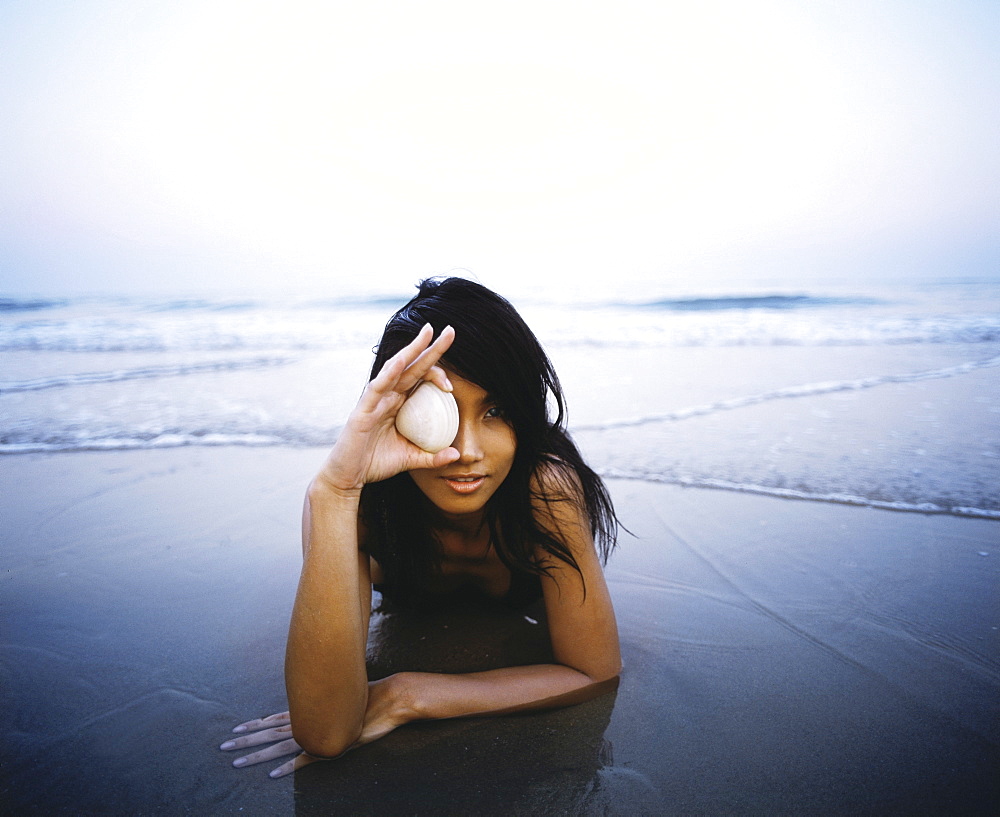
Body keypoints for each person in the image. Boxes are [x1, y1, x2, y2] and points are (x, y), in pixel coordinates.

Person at [220, 277, 622, 778]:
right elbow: (324, 735)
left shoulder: (546, 489)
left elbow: (594, 670)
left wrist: (408, 694)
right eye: (440, 412)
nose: (467, 451)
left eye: (496, 411)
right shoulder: (357, 501)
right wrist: (334, 492)